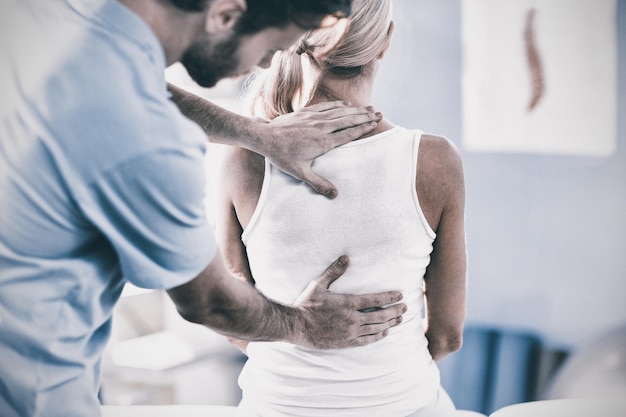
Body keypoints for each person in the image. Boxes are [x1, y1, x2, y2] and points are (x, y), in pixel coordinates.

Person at [0, 0, 409, 416]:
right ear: (226, 15)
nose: (269, 66)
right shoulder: (150, 142)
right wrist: (303, 324)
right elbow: (209, 302)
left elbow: (115, 79)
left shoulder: (42, 17)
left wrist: (256, 135)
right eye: (272, 48)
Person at [216, 0, 468, 415]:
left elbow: (228, 316)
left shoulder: (243, 160)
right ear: (383, 43)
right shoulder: (435, 161)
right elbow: (446, 338)